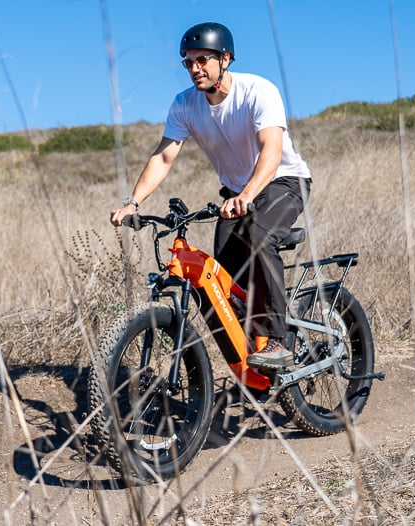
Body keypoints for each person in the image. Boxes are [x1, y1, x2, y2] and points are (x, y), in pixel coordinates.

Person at [110, 22, 312, 369]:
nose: (195, 69)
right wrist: (133, 202)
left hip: (282, 182)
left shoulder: (258, 91)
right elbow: (164, 157)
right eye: (188, 62)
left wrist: (247, 193)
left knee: (260, 238)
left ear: (225, 59)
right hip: (236, 194)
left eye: (202, 60)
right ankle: (254, 363)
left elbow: (272, 150)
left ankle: (277, 340)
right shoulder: (185, 105)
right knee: (223, 277)